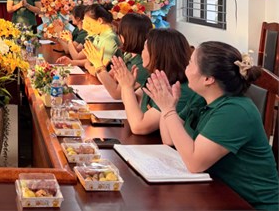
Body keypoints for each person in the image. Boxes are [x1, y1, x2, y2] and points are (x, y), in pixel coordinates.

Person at [145, 42, 278, 210]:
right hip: (217, 194)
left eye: (190, 63)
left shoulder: (235, 111)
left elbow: (195, 163)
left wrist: (169, 110)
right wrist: (168, 106)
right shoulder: (203, 98)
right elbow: (169, 139)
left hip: (251, 204)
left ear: (208, 79)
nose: (186, 67)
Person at [110, 28, 203, 135]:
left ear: (157, 54)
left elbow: (138, 127)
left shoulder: (179, 89)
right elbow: (133, 101)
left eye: (145, 48)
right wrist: (126, 83)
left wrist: (127, 87)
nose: (142, 52)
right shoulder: (156, 78)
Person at [90, 13, 152, 99]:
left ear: (125, 36)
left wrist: (99, 67)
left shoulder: (142, 64)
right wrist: (99, 67)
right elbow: (110, 78)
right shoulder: (128, 55)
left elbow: (117, 94)